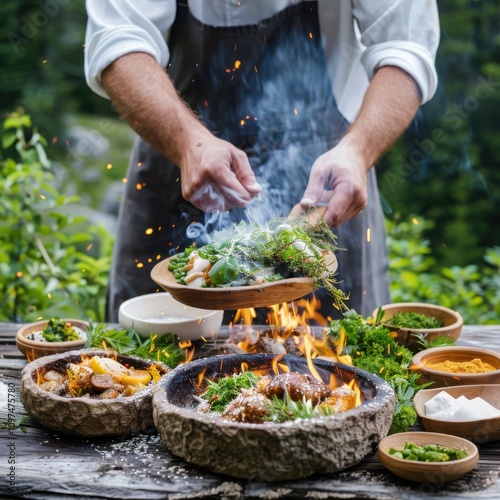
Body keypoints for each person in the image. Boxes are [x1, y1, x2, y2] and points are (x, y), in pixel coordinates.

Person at [84, 0, 440, 323]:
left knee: (341, 360)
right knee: (142, 360)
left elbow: (406, 45)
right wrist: (186, 142)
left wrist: (359, 149)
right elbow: (118, 37)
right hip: (177, 150)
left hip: (325, 171)